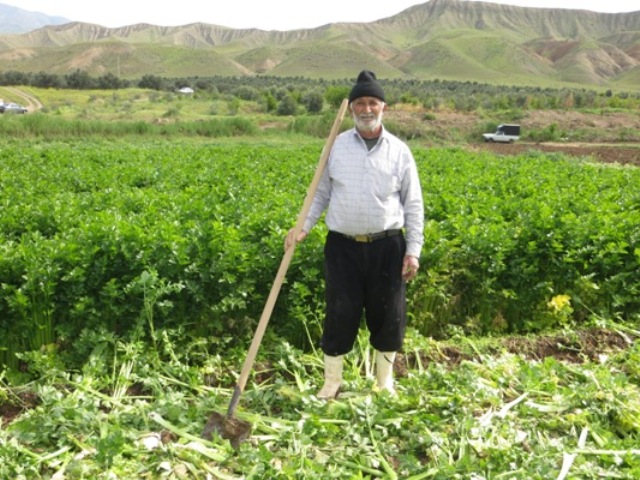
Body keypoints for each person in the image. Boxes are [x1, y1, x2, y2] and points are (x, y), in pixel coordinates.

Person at [285, 70, 424, 398]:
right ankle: (332, 382)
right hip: (343, 247)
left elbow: (413, 203)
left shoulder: (400, 151)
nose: (366, 109)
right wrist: (302, 227)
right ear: (351, 109)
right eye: (360, 103)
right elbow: (319, 193)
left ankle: (384, 381)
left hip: (388, 245)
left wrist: (413, 250)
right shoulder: (335, 147)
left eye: (372, 102)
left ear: (383, 107)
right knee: (340, 312)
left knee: (389, 313)